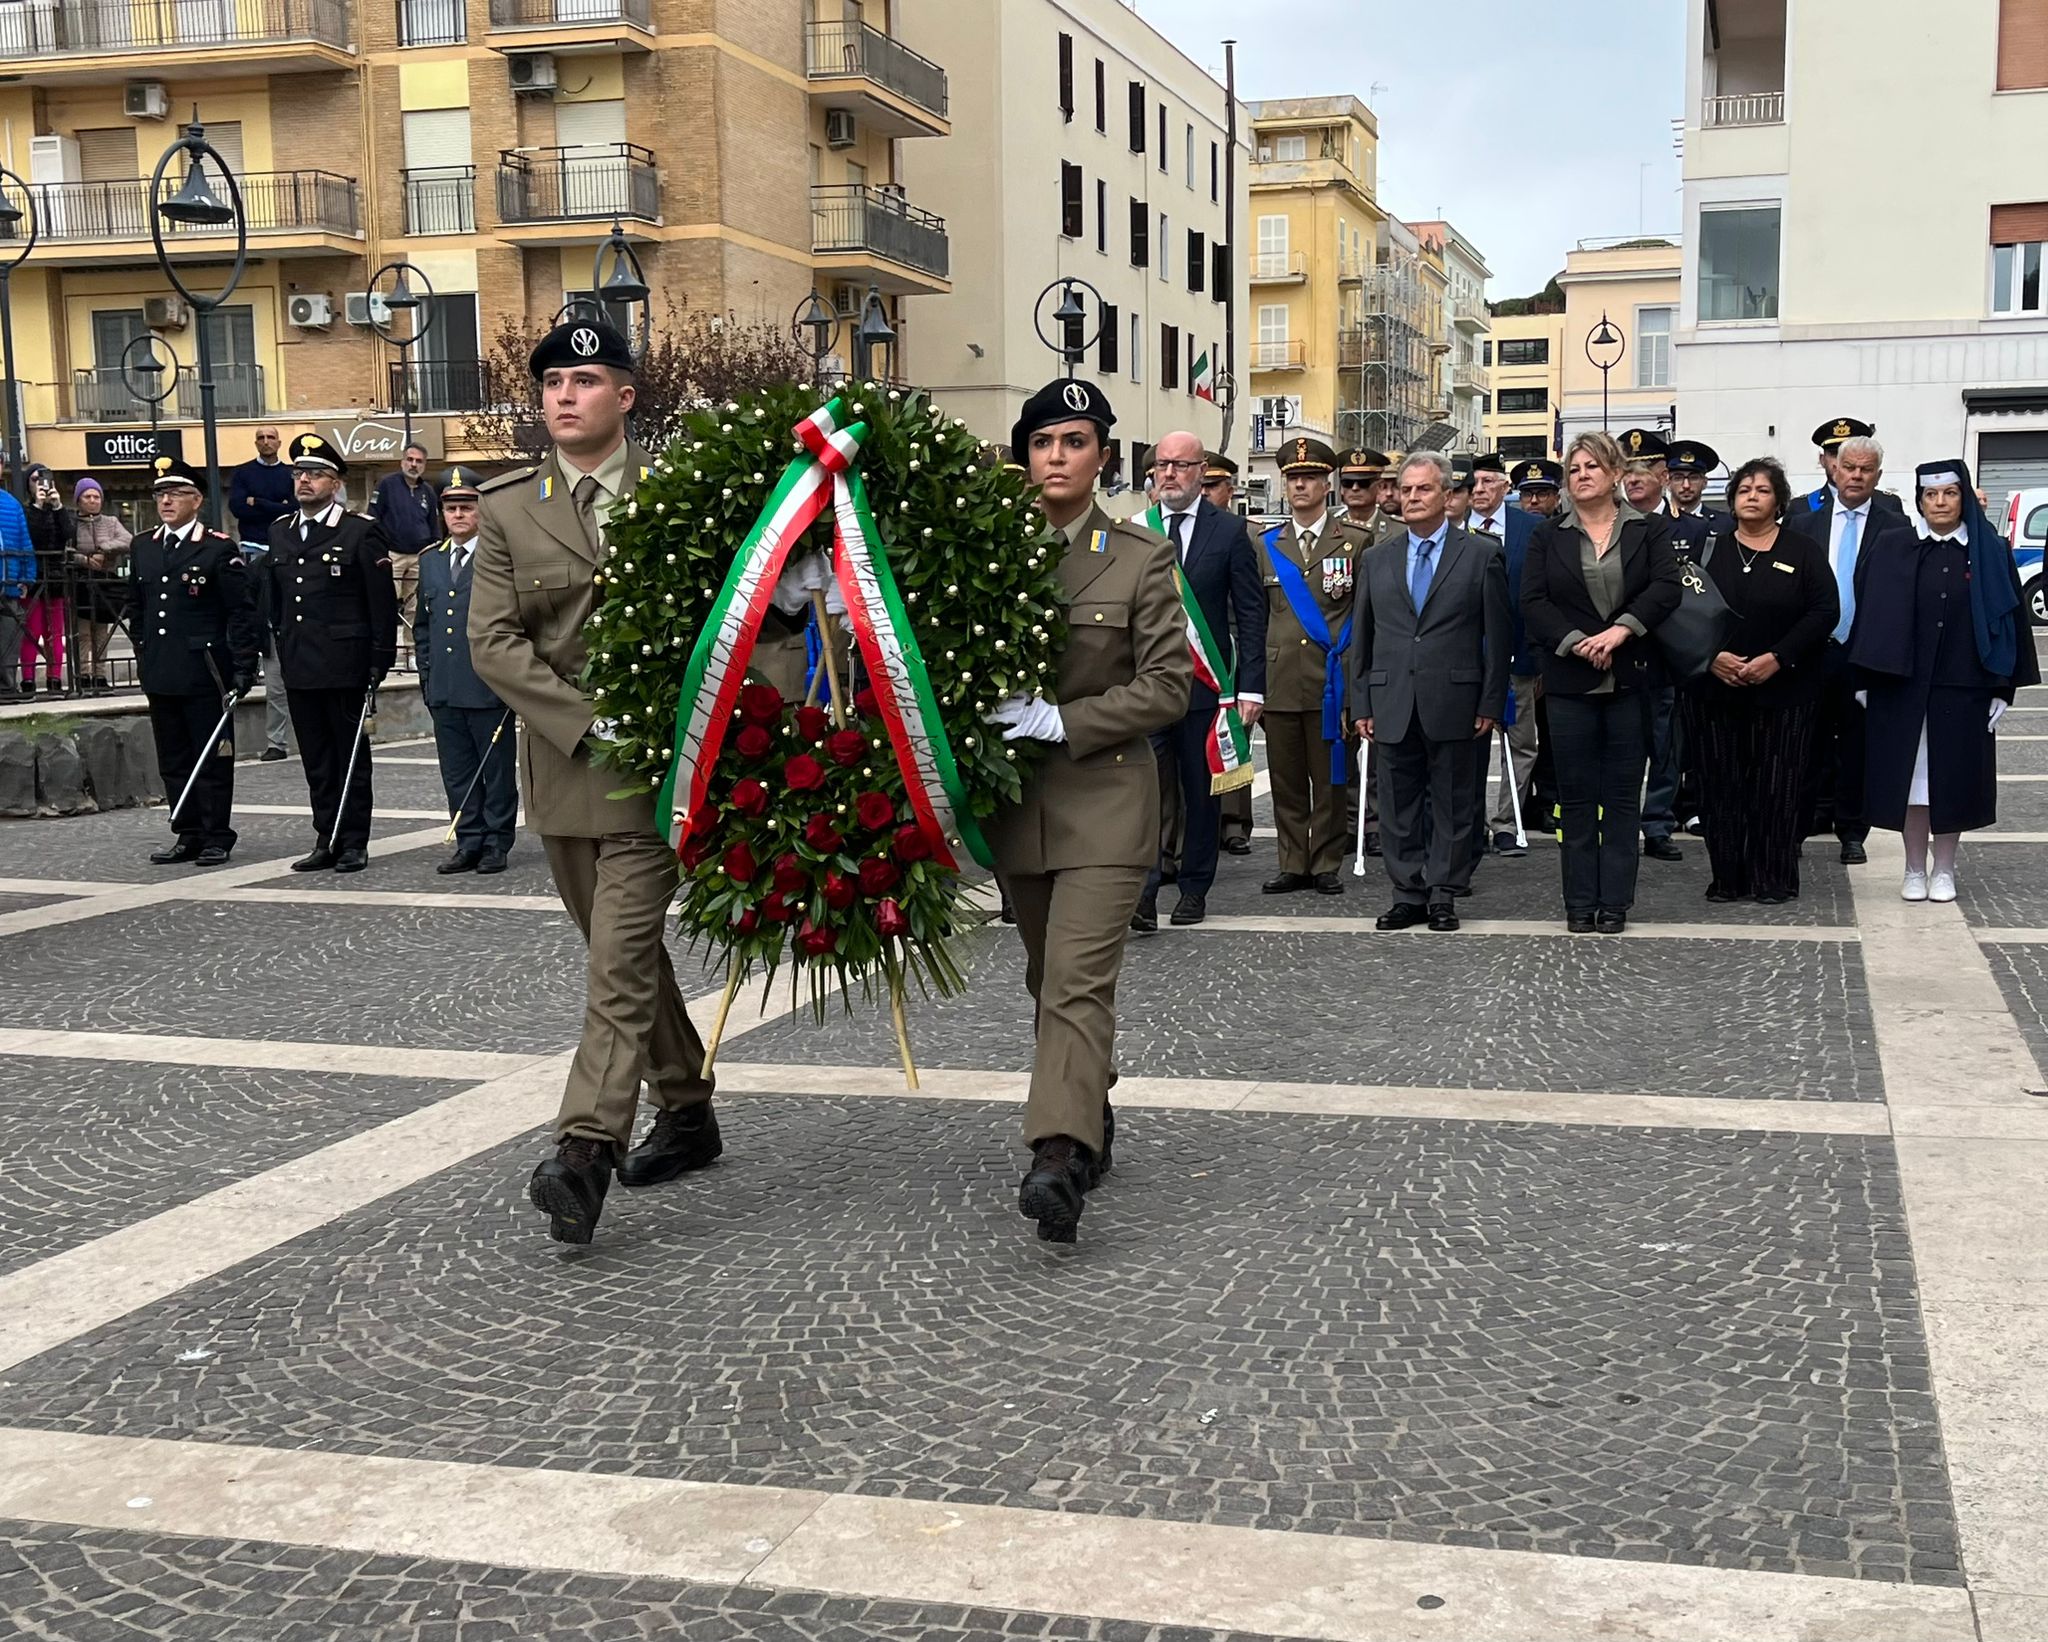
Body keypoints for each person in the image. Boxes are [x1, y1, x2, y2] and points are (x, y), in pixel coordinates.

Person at [470, 317, 716, 1247]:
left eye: (583, 379)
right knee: (628, 957)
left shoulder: (688, 492)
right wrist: (581, 718)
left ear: (626, 395)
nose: (563, 396)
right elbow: (493, 642)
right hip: (570, 768)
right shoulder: (508, 506)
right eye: (551, 384)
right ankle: (689, 1109)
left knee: (615, 965)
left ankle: (583, 1151)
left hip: (658, 774)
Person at [986, 376, 1189, 1242]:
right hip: (1016, 806)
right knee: (1046, 978)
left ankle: (1057, 1154)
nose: (1057, 457)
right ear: (1025, 456)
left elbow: (1168, 684)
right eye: (1043, 442)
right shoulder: (986, 551)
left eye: (1074, 441)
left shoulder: (1141, 556)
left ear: (1103, 455)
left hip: (1104, 793)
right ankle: (1090, 1104)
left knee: (1075, 977)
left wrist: (1063, 719)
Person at [1850, 460, 2039, 903]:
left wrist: (2002, 688)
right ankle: (1914, 868)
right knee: (1912, 785)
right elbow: (1869, 611)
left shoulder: (1988, 550)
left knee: (1950, 783)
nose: (1940, 502)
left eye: (1950, 494)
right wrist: (1862, 677)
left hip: (1965, 686)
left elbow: (2009, 622)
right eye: (1931, 495)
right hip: (1901, 686)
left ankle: (1945, 870)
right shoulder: (1893, 545)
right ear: (1919, 500)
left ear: (1964, 497)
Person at [1521, 431, 1682, 934]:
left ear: (1615, 474)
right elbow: (1534, 601)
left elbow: (1666, 588)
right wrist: (1575, 640)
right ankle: (1579, 902)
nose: (1582, 475)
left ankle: (1615, 903)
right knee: (1575, 797)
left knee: (1618, 797)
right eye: (1574, 469)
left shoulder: (1647, 530)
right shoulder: (1550, 534)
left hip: (1630, 676)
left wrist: (1620, 631)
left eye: (1592, 466)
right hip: (1571, 680)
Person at [1350, 452, 1510, 932]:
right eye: (1407, 489)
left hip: (1457, 700)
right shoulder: (1377, 558)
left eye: (1424, 489)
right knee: (1397, 805)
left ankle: (1443, 891)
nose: (1413, 497)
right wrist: (1362, 702)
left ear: (1447, 495)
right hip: (1392, 698)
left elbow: (1499, 640)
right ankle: (1407, 893)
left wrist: (1490, 701)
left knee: (1456, 802)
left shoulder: (1481, 554)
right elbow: (1364, 637)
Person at [1686, 458, 1839, 903]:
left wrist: (1778, 657)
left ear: (1779, 502)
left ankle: (1773, 877)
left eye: (1762, 490)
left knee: (1778, 783)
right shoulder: (1707, 549)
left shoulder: (1802, 550)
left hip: (1785, 689)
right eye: (1744, 490)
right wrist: (1711, 657)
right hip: (1715, 688)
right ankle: (1728, 876)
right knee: (1720, 784)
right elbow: (1680, 610)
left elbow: (1825, 611)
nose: (1751, 496)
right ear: (1732, 501)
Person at [1131, 431, 1264, 931]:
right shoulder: (1138, 530)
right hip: (1146, 687)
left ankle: (1194, 887)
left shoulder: (1228, 532)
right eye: (1161, 465)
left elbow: (1251, 613)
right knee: (1144, 793)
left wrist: (1251, 686)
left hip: (1205, 688)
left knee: (1201, 791)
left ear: (1201, 470)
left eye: (1180, 466)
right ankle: (1143, 893)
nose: (1168, 474)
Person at [261, 434, 398, 874]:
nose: (304, 480)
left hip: (345, 662)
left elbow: (380, 601)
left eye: (315, 474)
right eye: (299, 473)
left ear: (335, 483)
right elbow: (277, 600)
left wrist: (380, 658)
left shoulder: (360, 531)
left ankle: (354, 839)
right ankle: (326, 836)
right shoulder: (280, 532)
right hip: (300, 662)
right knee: (317, 759)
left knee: (350, 757)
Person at [128, 458, 260, 867]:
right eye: (160, 494)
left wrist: (242, 666)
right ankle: (187, 831)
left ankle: (217, 833)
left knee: (212, 756)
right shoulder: (144, 545)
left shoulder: (217, 547)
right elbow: (138, 605)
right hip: (162, 668)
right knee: (174, 756)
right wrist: (143, 648)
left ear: (197, 500)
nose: (165, 501)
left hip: (206, 669)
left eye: (176, 493)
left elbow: (239, 611)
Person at [1785, 429, 1906, 864]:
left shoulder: (1895, 527)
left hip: (1865, 653)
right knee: (1804, 746)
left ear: (1878, 475)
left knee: (1859, 749)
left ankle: (1853, 831)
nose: (1855, 476)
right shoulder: (1803, 525)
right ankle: (1795, 830)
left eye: (1865, 470)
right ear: (1834, 469)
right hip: (1814, 653)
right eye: (1848, 467)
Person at [1259, 437, 1373, 894]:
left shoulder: (1355, 543)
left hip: (1333, 681)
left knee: (1330, 780)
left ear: (1329, 484)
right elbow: (1253, 616)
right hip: (1280, 678)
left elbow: (1364, 619)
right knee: (1286, 780)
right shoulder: (1266, 544)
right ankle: (1292, 861)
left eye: (1309, 477)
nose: (1300, 485)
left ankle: (1326, 861)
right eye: (1293, 478)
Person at [418, 465, 515, 875]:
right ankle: (468, 840)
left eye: (466, 507)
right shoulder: (431, 561)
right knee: (456, 771)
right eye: (451, 507)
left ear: (481, 511)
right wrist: (426, 674)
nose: (458, 515)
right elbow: (424, 624)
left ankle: (496, 841)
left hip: (486, 685)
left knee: (494, 770)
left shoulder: (498, 559)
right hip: (445, 685)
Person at [1466, 453, 1540, 858]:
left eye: (1488, 482)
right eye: (1474, 483)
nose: (1479, 490)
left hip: (1517, 656)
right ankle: (1471, 822)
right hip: (1465, 661)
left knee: (1520, 743)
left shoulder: (1533, 529)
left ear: (1505, 488)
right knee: (1467, 745)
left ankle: (1508, 823)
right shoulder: (1452, 528)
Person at [228, 426, 299, 759]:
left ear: (279, 442)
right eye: (261, 437)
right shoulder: (244, 473)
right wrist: (277, 505)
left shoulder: (289, 474)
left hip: (288, 558)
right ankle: (276, 743)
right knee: (275, 685)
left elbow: (291, 508)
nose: (266, 442)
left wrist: (262, 503)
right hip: (255, 552)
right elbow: (240, 508)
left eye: (271, 437)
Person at [1203, 453, 1257, 858]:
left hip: (1229, 650)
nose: (1205, 494)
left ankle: (1234, 822)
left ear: (1229, 491)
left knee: (1232, 737)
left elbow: (1250, 604)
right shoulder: (1161, 531)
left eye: (1212, 487)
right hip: (1188, 651)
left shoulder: (1243, 533)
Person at [371, 442, 440, 674]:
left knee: (415, 608)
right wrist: (379, 551)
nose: (413, 464)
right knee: (386, 605)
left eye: (419, 461)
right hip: (393, 555)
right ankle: (386, 651)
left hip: (420, 556)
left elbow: (434, 525)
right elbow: (373, 518)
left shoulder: (428, 492)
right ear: (402, 461)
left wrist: (434, 552)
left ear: (424, 465)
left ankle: (411, 652)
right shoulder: (387, 485)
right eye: (410, 459)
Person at [68, 478, 131, 689]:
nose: (93, 500)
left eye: (96, 496)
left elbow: (128, 541)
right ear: (78, 500)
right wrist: (85, 560)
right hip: (81, 582)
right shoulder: (72, 522)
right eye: (87, 496)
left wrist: (105, 548)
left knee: (101, 633)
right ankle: (84, 674)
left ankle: (100, 674)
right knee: (83, 632)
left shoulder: (111, 522)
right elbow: (66, 550)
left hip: (104, 583)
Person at [20, 463, 70, 697]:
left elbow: (68, 534)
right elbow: (31, 535)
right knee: (32, 629)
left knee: (55, 632)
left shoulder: (58, 509)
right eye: (35, 480)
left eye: (45, 478)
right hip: (34, 577)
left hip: (57, 577)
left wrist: (58, 506)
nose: (41, 484)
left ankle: (55, 678)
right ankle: (28, 679)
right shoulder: (27, 510)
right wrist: (39, 507)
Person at [0, 476, 33, 697]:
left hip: (8, 584)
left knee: (8, 639)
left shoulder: (11, 504)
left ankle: (6, 687)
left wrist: (27, 577)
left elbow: (25, 543)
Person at [1665, 441, 1731, 532]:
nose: (1686, 485)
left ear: (1704, 482)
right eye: (1678, 478)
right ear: (1667, 483)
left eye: (1694, 478)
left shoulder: (1725, 524)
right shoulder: (1657, 524)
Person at [1337, 447, 1393, 536]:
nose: (1355, 488)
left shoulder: (1398, 531)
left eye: (1363, 483)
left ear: (1380, 487)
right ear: (1341, 489)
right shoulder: (1328, 530)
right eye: (1347, 483)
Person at [1444, 453, 1475, 527]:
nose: (1447, 498)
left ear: (1470, 497)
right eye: (1443, 490)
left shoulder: (1481, 538)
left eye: (1456, 491)